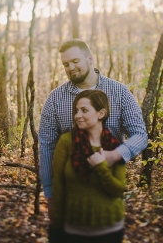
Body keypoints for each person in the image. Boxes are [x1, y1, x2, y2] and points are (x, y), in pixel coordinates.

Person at [39, 39, 147, 239]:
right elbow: (46, 147)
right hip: (70, 201)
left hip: (107, 195)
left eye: (75, 61)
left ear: (90, 58)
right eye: (65, 64)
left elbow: (140, 135)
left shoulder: (120, 92)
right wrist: (50, 193)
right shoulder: (55, 99)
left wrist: (115, 155)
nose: (70, 68)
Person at [50, 89, 126, 242]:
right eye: (76, 110)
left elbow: (118, 190)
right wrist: (56, 225)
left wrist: (101, 168)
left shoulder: (114, 147)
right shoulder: (67, 141)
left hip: (110, 229)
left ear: (101, 113)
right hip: (73, 229)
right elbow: (57, 184)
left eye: (84, 110)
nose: (77, 115)